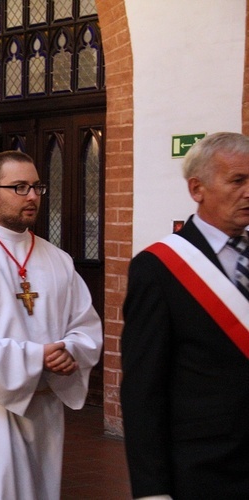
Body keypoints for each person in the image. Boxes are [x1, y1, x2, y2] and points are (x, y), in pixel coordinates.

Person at [0, 151, 102, 498]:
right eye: (19, 187)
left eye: (37, 187)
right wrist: (35, 356)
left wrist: (70, 351)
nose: (32, 196)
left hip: (43, 410)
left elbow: (85, 326)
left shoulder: (58, 260)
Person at [121, 132, 249, 499]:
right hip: (205, 467)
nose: (248, 191)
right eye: (237, 181)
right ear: (197, 189)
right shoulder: (158, 269)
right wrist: (152, 491)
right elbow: (143, 391)